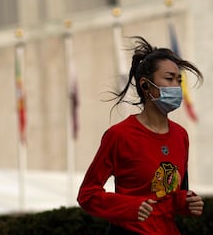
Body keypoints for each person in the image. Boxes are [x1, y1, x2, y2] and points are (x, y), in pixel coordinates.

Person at [77, 36, 204, 235]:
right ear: (145, 86)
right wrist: (129, 207)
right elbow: (87, 195)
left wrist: (186, 202)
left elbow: (172, 196)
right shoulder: (119, 135)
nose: (177, 87)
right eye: (169, 78)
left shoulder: (181, 135)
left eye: (179, 80)